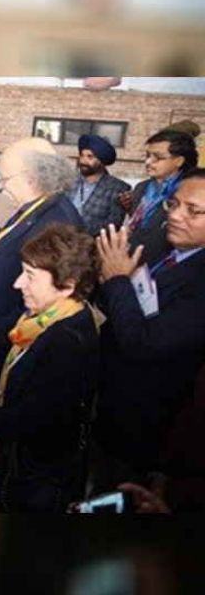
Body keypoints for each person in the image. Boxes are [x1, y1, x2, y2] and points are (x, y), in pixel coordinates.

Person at [0, 224, 100, 512]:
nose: (17, 284)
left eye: (30, 276)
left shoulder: (65, 342)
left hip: (32, 485)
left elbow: (32, 422)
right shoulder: (47, 320)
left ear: (68, 285)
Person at [93, 169, 205, 492]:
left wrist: (117, 279)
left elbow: (143, 343)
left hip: (143, 430)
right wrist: (111, 278)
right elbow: (129, 305)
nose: (176, 216)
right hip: (112, 410)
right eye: (173, 204)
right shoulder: (169, 253)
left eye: (193, 211)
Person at [118, 130, 198, 267]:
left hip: (168, 267)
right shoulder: (141, 188)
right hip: (133, 262)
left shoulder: (189, 192)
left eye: (158, 157)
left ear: (179, 161)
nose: (148, 162)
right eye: (148, 156)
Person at [65, 134, 130, 235]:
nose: (83, 161)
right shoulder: (68, 181)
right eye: (81, 155)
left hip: (92, 247)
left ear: (102, 161)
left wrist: (77, 232)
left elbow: (113, 225)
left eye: (90, 157)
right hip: (61, 244)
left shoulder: (118, 188)